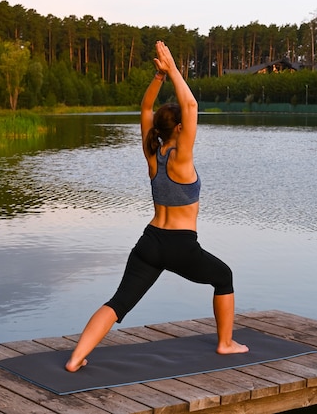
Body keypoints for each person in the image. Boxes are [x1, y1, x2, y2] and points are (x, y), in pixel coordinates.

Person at [65, 41, 248, 373]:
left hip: (149, 243)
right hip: (180, 246)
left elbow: (145, 108)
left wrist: (159, 77)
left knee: (118, 303)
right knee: (224, 277)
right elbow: (190, 105)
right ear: (178, 128)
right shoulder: (181, 158)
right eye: (184, 124)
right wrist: (174, 68)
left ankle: (76, 358)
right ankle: (225, 344)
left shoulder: (154, 154)